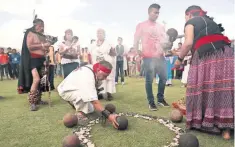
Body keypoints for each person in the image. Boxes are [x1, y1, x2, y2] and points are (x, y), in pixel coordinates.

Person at [174, 5, 234, 140]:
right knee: (222, 89)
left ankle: (202, 122)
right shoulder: (210, 22)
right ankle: (226, 128)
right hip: (226, 53)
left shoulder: (190, 22)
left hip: (207, 56)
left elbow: (188, 42)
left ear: (188, 14)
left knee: (202, 87)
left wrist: (178, 60)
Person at [57, 60, 119, 127]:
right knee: (85, 99)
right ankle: (79, 114)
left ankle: (76, 103)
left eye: (106, 76)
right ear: (98, 70)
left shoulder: (93, 69)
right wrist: (109, 116)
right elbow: (95, 102)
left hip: (75, 87)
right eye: (104, 76)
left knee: (90, 109)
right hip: (66, 91)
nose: (105, 78)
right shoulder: (88, 76)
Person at [134, 3, 170, 110]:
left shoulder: (161, 27)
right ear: (149, 12)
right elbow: (136, 39)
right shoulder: (141, 25)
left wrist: (166, 46)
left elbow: (164, 41)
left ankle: (160, 99)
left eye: (158, 13)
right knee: (149, 79)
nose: (157, 15)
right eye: (155, 12)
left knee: (163, 78)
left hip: (160, 56)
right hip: (148, 56)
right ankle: (151, 102)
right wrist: (137, 50)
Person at [18, 18, 51, 111]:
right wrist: (43, 45)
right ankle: (32, 102)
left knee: (41, 80)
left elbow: (45, 49)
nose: (42, 28)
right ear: (36, 25)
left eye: (43, 26)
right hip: (32, 59)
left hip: (41, 59)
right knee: (36, 79)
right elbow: (29, 46)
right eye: (41, 26)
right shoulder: (30, 34)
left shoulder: (42, 36)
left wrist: (47, 48)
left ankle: (38, 99)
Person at [90, 28, 116, 100]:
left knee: (109, 78)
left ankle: (109, 93)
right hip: (97, 64)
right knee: (99, 78)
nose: (99, 35)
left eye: (101, 33)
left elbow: (113, 54)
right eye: (98, 33)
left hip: (107, 64)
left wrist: (112, 52)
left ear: (104, 35)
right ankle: (100, 93)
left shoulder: (109, 43)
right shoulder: (93, 44)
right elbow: (91, 54)